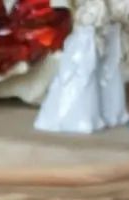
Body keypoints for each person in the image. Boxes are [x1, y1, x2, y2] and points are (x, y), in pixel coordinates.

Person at [34, 0, 105, 133]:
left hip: (83, 51)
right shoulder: (77, 30)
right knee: (68, 80)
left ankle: (80, 118)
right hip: (76, 46)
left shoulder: (90, 34)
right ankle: (64, 117)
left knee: (82, 85)